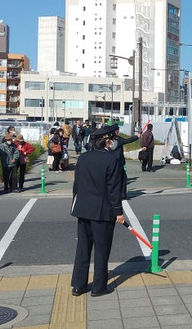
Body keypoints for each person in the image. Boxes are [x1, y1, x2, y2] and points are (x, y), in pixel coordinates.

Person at [70, 124, 126, 297]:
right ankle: (98, 287)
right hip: (103, 211)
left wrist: (75, 204)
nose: (114, 143)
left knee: (83, 248)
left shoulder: (83, 158)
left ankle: (78, 286)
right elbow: (114, 189)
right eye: (113, 140)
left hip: (83, 209)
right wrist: (119, 212)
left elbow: (77, 185)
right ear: (107, 141)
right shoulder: (111, 160)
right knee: (102, 250)